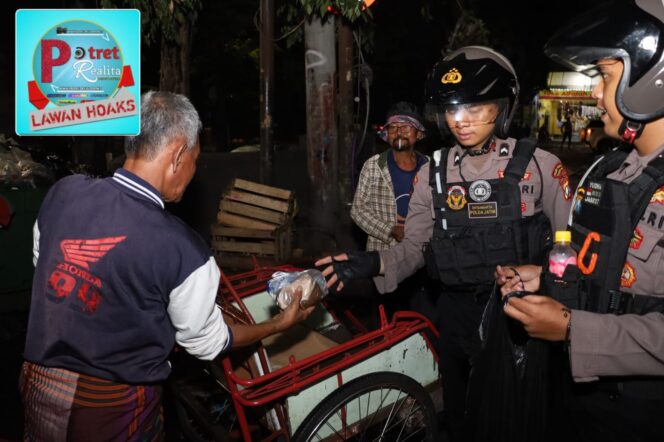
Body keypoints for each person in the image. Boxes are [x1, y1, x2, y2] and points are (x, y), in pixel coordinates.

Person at [20, 91, 314, 440]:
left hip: (38, 383)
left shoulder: (64, 193)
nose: (193, 172)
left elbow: (45, 264)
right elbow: (207, 343)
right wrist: (279, 323)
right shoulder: (183, 249)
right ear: (177, 154)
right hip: (113, 402)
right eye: (195, 159)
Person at [316, 46, 571, 441]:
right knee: (459, 415)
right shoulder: (433, 172)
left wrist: (555, 289)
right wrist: (373, 264)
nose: (461, 121)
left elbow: (571, 250)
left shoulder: (539, 166)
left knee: (518, 419)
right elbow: (414, 246)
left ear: (501, 107)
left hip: (520, 318)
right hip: (454, 313)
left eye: (474, 108)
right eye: (452, 110)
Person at [498, 2, 664, 441]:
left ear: (652, 80)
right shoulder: (611, 170)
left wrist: (572, 328)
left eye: (606, 76)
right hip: (581, 398)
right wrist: (547, 279)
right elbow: (612, 276)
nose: (594, 94)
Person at [350, 102, 436, 326]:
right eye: (393, 128)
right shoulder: (373, 166)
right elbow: (358, 210)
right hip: (384, 253)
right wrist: (391, 230)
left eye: (406, 127)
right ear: (386, 135)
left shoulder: (431, 168)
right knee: (386, 319)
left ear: (418, 135)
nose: (399, 132)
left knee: (423, 317)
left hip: (423, 255)